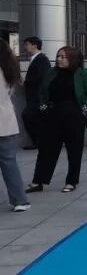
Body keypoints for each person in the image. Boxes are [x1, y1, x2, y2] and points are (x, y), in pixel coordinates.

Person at [26, 46, 87, 194]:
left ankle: (71, 181)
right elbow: (42, 92)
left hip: (74, 117)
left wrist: (84, 110)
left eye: (63, 57)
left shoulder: (84, 73)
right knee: (45, 150)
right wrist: (43, 107)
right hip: (52, 116)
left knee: (74, 151)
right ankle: (38, 181)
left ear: (73, 58)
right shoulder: (51, 72)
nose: (59, 59)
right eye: (58, 56)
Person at [0, 41, 30, 211]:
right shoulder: (10, 70)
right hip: (6, 121)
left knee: (8, 163)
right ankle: (20, 200)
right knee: (9, 163)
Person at [21, 36, 49, 150]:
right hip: (33, 96)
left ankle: (38, 141)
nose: (25, 47)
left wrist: (26, 82)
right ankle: (38, 142)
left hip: (37, 96)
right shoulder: (35, 59)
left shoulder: (42, 59)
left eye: (27, 44)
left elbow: (43, 77)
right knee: (33, 118)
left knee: (28, 116)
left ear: (35, 45)